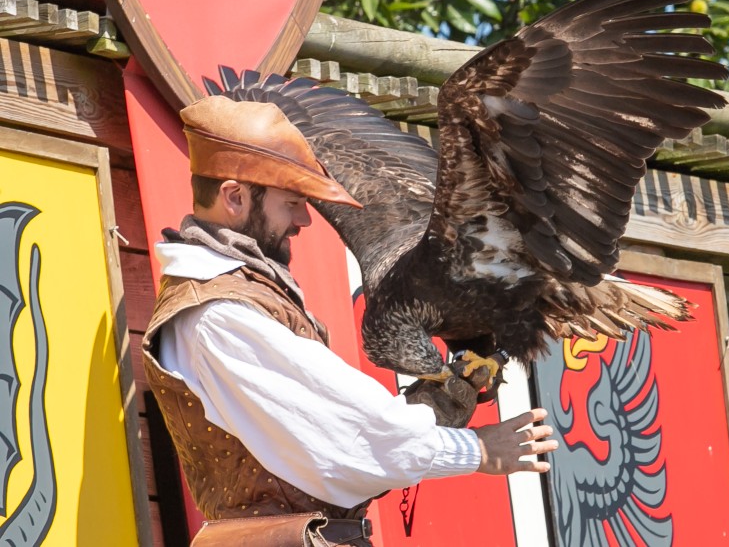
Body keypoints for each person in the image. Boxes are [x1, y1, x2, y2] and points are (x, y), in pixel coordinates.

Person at [141, 95, 558, 546]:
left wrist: (436, 404)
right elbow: (354, 441)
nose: (304, 219)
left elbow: (341, 441)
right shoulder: (220, 314)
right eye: (291, 202)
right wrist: (479, 450)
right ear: (234, 197)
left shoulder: (238, 294)